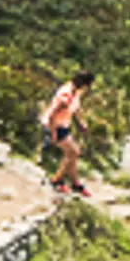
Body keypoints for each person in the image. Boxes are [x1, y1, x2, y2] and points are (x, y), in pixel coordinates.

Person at [39, 67, 90, 199]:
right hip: (55, 126)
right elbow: (53, 115)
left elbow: (76, 109)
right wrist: (53, 133)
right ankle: (57, 180)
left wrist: (80, 123)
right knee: (73, 152)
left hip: (63, 125)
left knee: (73, 154)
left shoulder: (75, 91)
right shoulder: (66, 95)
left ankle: (75, 182)